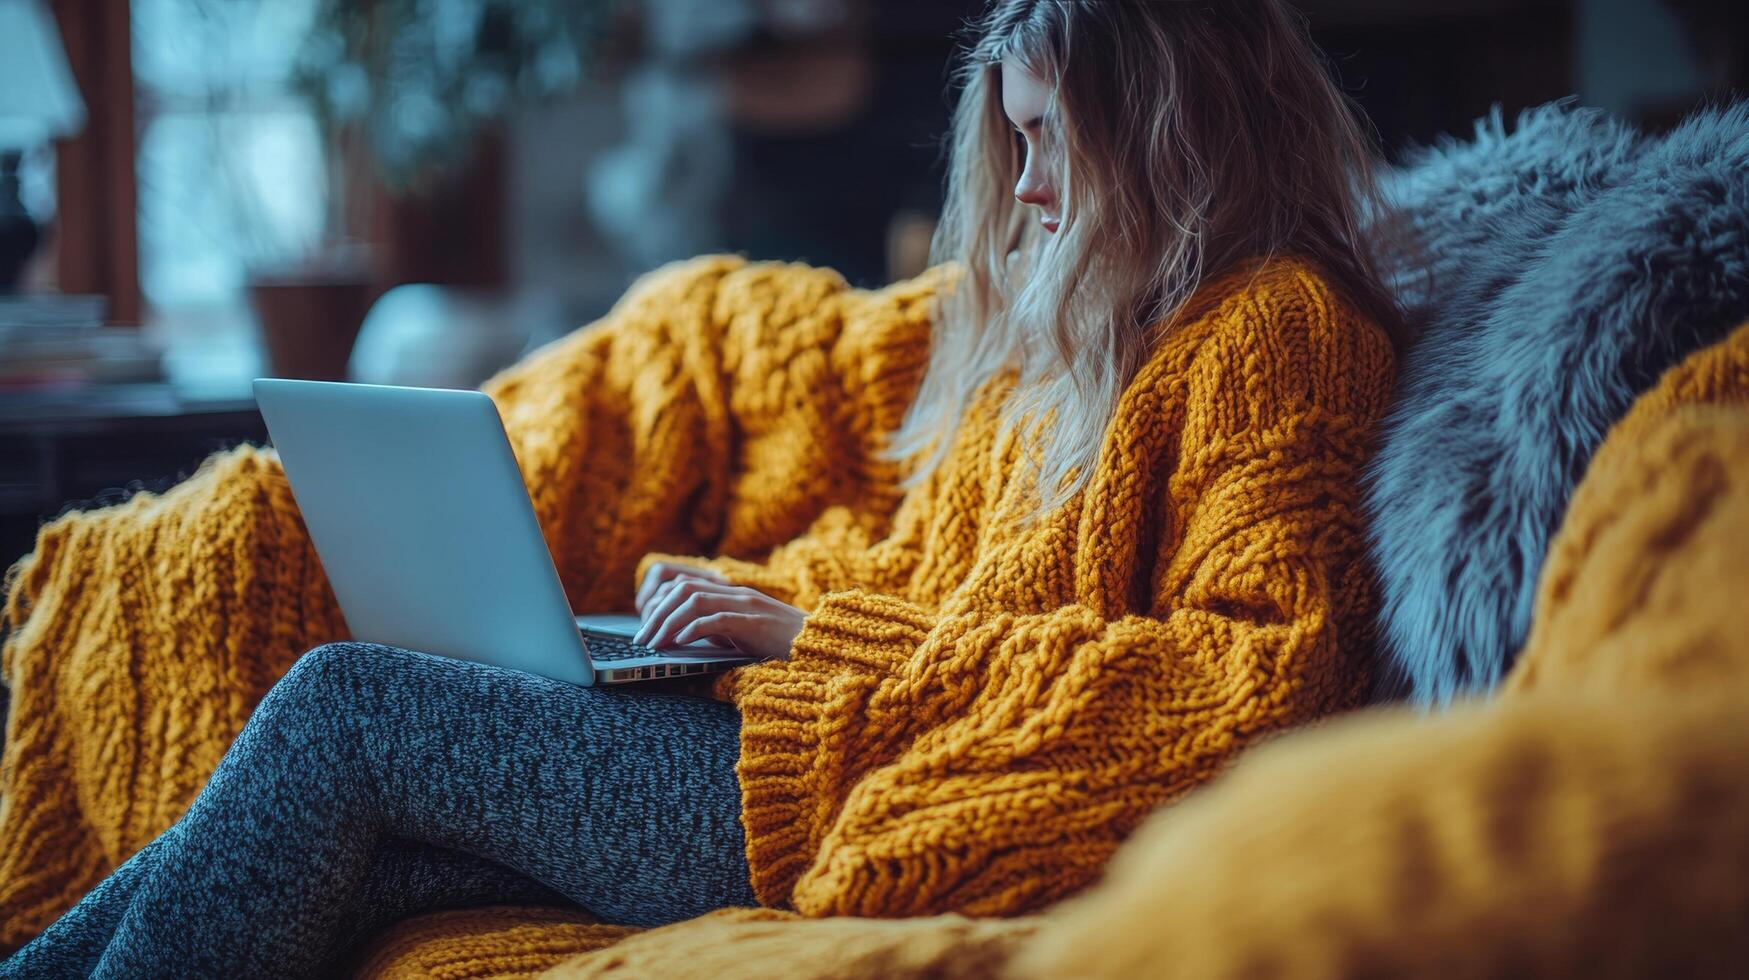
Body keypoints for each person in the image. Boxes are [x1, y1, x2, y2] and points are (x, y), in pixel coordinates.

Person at [3, 1, 1420, 976]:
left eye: (1052, 138)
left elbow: (1251, 676)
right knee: (349, 852)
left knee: (349, 705)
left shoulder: (1274, 330)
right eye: (1015, 138)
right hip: (806, 735)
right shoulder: (1071, 332)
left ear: (1173, 129)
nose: (1029, 185)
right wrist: (754, 608)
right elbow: (927, 579)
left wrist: (809, 644)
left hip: (845, 781)